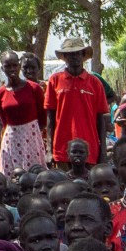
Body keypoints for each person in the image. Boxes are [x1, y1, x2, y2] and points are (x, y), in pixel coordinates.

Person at [45, 39, 111, 174]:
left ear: (83, 55)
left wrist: (103, 152)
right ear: (65, 57)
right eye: (70, 54)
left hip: (89, 149)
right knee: (63, 183)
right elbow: (50, 119)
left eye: (77, 53)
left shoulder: (95, 83)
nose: (74, 57)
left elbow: (101, 120)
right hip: (62, 148)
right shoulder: (55, 80)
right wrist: (49, 150)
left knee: (88, 184)